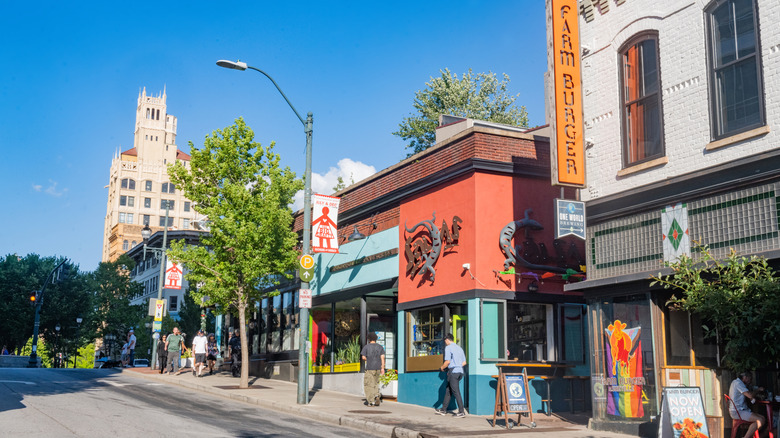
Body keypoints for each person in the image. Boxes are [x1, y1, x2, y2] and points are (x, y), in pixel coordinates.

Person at [435, 333, 467, 418]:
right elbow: (464, 362)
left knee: (456, 392)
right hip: (460, 372)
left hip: (453, 372)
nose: (445, 343)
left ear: (447, 340)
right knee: (448, 391)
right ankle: (443, 410)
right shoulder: (460, 348)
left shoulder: (448, 348)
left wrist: (442, 367)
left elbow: (447, 362)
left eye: (445, 341)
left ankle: (461, 412)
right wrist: (457, 365)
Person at [728, 371, 765, 438]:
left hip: (740, 410)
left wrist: (756, 389)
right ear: (745, 377)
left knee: (763, 418)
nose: (750, 381)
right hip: (738, 411)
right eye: (750, 379)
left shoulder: (738, 382)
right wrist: (758, 390)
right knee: (760, 420)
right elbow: (750, 395)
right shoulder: (738, 383)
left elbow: (750, 389)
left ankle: (750, 435)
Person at [360, 332, 385, 406]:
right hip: (378, 368)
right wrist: (382, 368)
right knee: (376, 383)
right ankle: (377, 395)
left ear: (369, 339)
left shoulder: (366, 347)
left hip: (370, 368)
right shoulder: (380, 347)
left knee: (368, 385)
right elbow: (382, 358)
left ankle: (371, 401)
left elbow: (363, 357)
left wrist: (368, 359)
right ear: (376, 339)